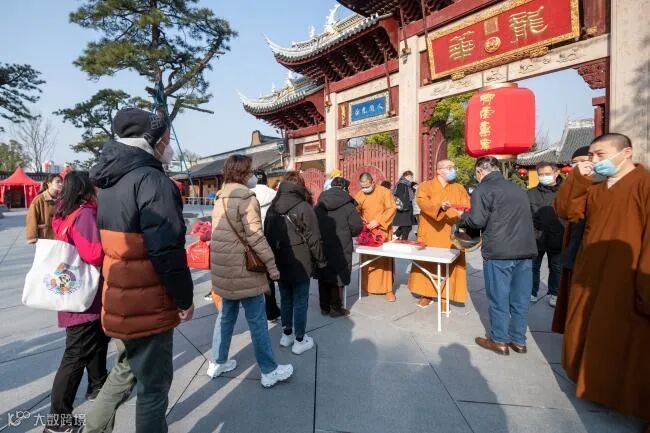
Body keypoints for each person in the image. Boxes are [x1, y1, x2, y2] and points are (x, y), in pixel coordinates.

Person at [86, 108, 194, 433]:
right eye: (166, 139)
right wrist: (184, 298)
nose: (168, 146)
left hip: (119, 299)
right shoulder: (153, 181)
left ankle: (92, 427)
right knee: (154, 388)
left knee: (125, 370)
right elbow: (166, 251)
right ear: (152, 140)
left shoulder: (109, 182)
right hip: (148, 304)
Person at [553, 133, 649, 426]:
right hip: (591, 273)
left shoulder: (644, 184)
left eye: (600, 155)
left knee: (625, 339)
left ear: (626, 152)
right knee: (589, 329)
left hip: (628, 276)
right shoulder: (596, 187)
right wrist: (577, 179)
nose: (594, 161)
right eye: (591, 155)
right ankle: (592, 384)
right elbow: (566, 211)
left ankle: (625, 398)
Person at [208, 155, 293, 386]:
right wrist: (272, 266)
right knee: (257, 320)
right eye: (251, 171)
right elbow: (255, 237)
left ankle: (218, 362)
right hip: (244, 269)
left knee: (225, 317)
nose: (253, 175)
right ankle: (269, 370)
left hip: (224, 268)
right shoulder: (246, 197)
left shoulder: (220, 196)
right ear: (243, 173)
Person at [45, 171, 110, 433]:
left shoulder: (63, 212)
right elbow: (94, 253)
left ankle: (98, 385)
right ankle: (57, 420)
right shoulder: (83, 215)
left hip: (72, 291)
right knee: (75, 355)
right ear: (86, 189)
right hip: (83, 298)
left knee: (97, 340)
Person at [458, 156, 537, 355]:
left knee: (499, 298)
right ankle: (519, 341)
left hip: (500, 252)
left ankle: (499, 340)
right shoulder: (517, 189)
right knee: (520, 299)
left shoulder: (483, 189)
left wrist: (463, 216)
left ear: (479, 171)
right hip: (525, 251)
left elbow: (476, 221)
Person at [265, 171, 326, 355]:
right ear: (300, 185)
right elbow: (314, 239)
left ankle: (287, 335)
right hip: (300, 260)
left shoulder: (273, 206)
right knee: (300, 300)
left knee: (285, 298)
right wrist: (321, 260)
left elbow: (266, 235)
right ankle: (300, 340)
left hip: (279, 259)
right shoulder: (304, 206)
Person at [551, 146, 602, 333]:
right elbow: (563, 211)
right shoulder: (574, 183)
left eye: (584, 161)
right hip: (573, 248)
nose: (580, 166)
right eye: (575, 163)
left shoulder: (602, 186)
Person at [408, 160, 470, 309]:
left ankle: (445, 296)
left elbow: (467, 205)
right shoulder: (425, 186)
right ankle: (426, 294)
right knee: (427, 261)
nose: (453, 170)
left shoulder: (459, 187)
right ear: (439, 170)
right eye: (449, 168)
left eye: (454, 167)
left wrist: (462, 212)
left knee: (451, 264)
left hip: (450, 231)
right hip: (430, 230)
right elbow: (422, 202)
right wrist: (439, 206)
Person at [314, 176, 364, 317]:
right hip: (341, 244)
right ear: (344, 188)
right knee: (338, 275)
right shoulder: (348, 205)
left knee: (324, 273)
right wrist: (348, 233)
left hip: (322, 243)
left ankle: (324, 307)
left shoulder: (320, 203)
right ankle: (336, 307)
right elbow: (357, 227)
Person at [355, 172, 397, 301]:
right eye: (363, 187)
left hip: (382, 230)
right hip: (367, 231)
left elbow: (391, 209)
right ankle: (365, 287)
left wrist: (378, 221)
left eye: (367, 186)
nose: (365, 189)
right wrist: (361, 220)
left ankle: (388, 290)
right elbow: (355, 209)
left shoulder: (384, 192)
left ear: (373, 182)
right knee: (367, 258)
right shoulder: (360, 194)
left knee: (384, 259)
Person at [527, 162, 564, 307]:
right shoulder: (531, 193)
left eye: (547, 174)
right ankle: (532, 292)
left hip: (558, 236)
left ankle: (555, 293)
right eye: (541, 174)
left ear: (556, 173)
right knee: (533, 267)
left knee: (556, 267)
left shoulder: (566, 191)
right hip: (536, 237)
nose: (544, 177)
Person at [251, 169, 281, 322]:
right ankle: (272, 310)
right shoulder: (274, 194)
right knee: (271, 274)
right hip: (272, 237)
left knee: (256, 275)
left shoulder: (248, 194)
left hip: (253, 238)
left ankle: (259, 312)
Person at [26, 173, 63, 244]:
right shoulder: (39, 199)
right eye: (58, 182)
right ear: (49, 183)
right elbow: (31, 219)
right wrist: (32, 237)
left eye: (61, 182)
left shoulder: (62, 199)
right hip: (44, 237)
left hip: (59, 236)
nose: (60, 184)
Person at [392, 170, 416, 240]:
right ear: (407, 176)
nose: (412, 178)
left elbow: (409, 196)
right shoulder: (402, 184)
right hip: (403, 209)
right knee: (406, 227)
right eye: (411, 177)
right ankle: (403, 240)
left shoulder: (408, 185)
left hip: (407, 208)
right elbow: (399, 196)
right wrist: (404, 206)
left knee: (407, 226)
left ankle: (396, 235)